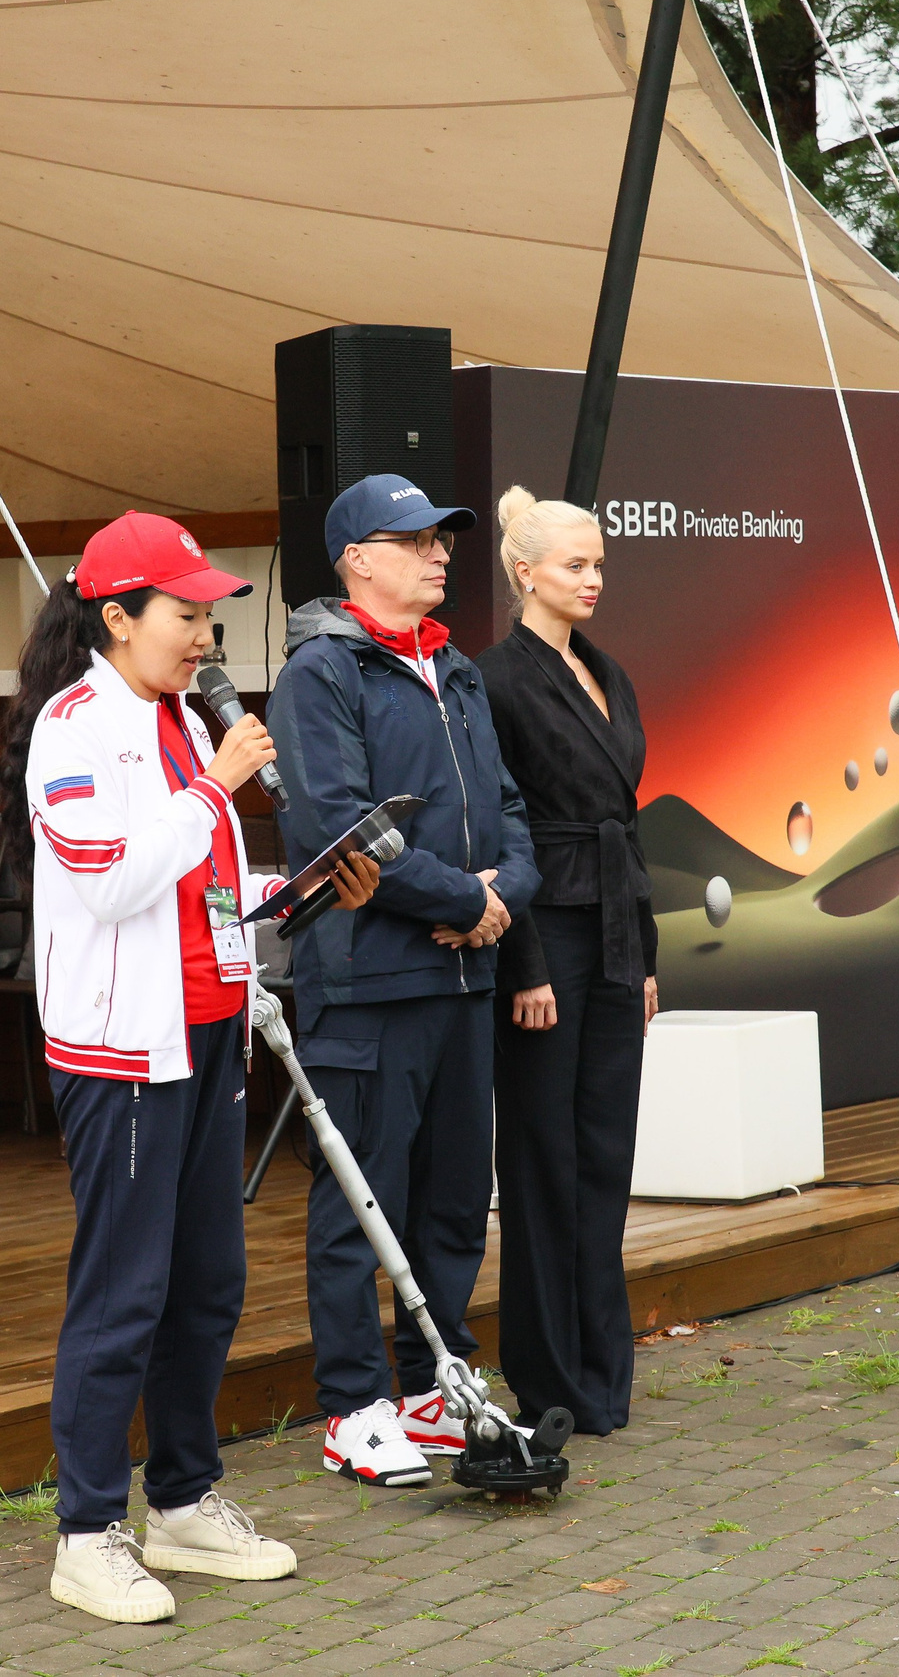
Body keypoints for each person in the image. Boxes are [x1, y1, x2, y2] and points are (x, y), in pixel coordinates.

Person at [0, 510, 380, 1622]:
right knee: (124, 1290)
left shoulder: (173, 724)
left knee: (208, 1281)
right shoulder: (76, 725)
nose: (205, 634)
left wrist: (301, 887)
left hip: (209, 1025)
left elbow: (199, 888)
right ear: (114, 616)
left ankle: (183, 1495)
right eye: (185, 612)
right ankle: (85, 1531)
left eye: (211, 613)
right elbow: (112, 877)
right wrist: (215, 780)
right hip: (121, 1050)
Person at [271, 473, 540, 1488]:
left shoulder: (455, 669)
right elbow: (335, 826)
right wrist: (459, 900)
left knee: (454, 1194)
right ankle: (353, 1405)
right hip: (370, 982)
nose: (440, 552)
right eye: (415, 537)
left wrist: (499, 892)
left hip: (462, 978)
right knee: (359, 1200)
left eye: (443, 537)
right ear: (357, 559)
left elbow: (512, 811)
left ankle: (435, 1383)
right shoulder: (320, 672)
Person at [475, 487, 655, 1437]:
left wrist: (648, 952)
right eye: (575, 564)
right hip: (544, 940)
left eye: (598, 564)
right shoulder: (495, 680)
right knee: (543, 1158)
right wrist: (527, 964)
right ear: (524, 572)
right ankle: (548, 1376)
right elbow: (503, 829)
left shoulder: (609, 672)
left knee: (604, 1157)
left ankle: (601, 1370)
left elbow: (623, 823)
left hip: (617, 937)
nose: (592, 579)